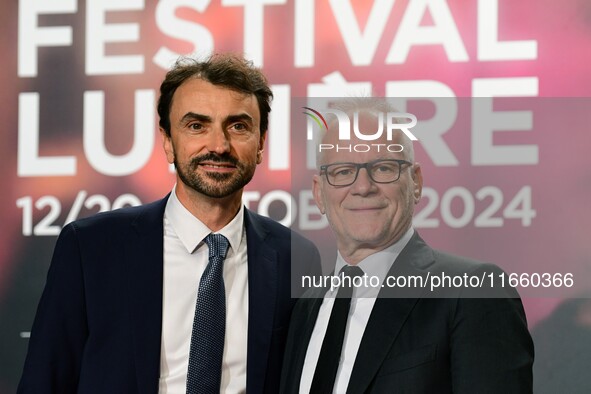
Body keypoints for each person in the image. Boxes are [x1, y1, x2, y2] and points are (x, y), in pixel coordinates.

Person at [18, 53, 321, 394]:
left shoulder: (296, 257)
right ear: (167, 141)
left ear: (261, 142)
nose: (219, 145)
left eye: (238, 126)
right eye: (196, 126)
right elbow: (45, 381)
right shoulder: (90, 248)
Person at [280, 100, 534, 393]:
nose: (363, 186)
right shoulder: (303, 311)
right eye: (343, 171)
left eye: (384, 168)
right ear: (319, 193)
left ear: (415, 181)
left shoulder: (474, 291)